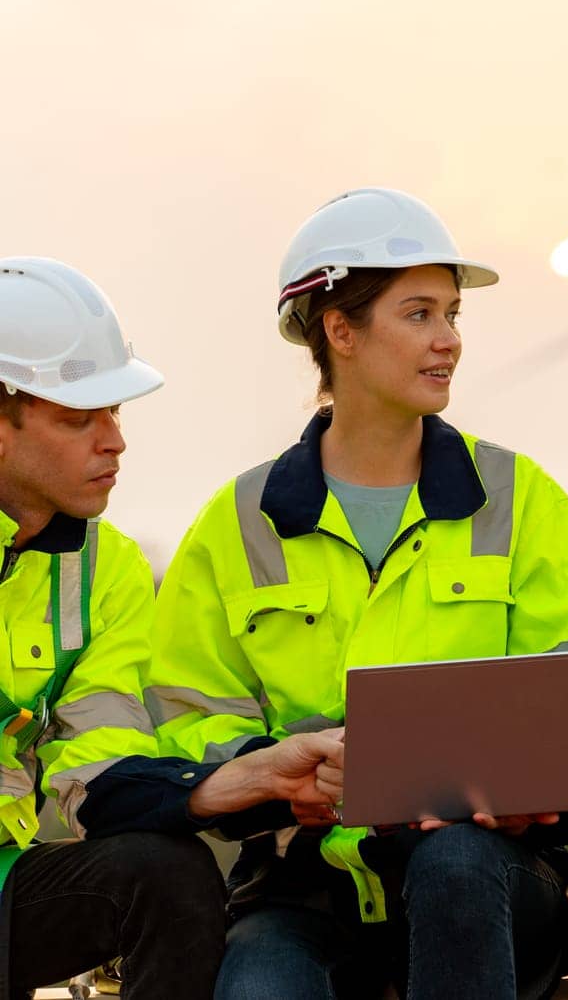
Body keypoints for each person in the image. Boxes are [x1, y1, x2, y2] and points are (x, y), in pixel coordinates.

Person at [143, 188, 568, 1000]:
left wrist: (527, 792)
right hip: (303, 882)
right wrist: (275, 775)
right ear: (342, 330)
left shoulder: (522, 497)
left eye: (454, 314)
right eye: (420, 313)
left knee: (456, 863)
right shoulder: (235, 523)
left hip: (490, 877)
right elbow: (187, 715)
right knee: (258, 988)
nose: (450, 340)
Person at [0, 257, 350, 998]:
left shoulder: (107, 569)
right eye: (76, 418)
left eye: (115, 412)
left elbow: (100, 768)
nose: (114, 441)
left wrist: (247, 776)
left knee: (168, 870)